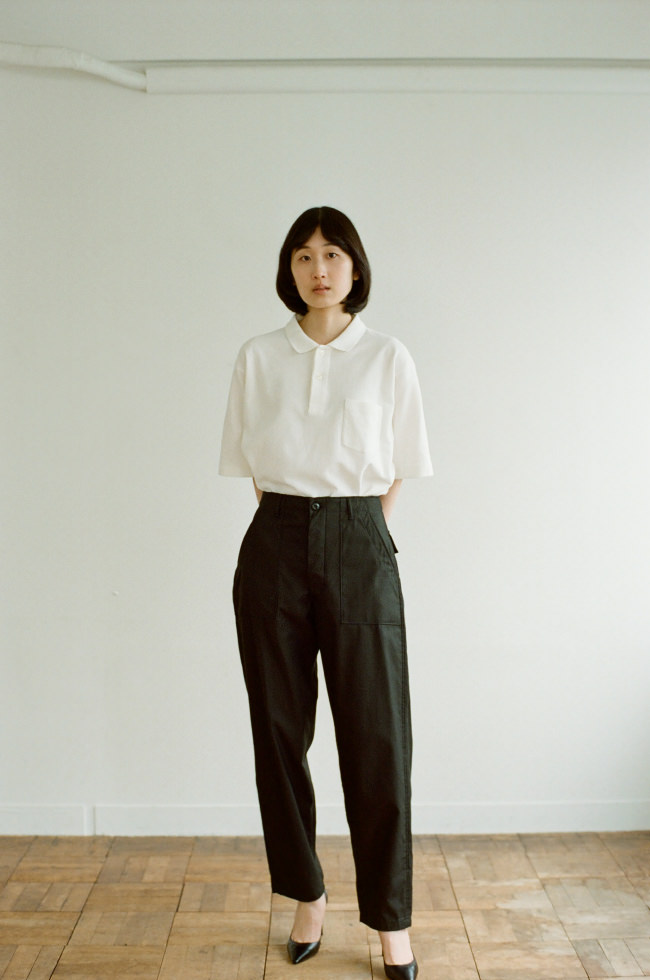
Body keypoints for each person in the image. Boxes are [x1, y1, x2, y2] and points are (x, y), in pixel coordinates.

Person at [219, 206, 432, 980]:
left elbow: (402, 463)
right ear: (289, 268)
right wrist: (297, 527)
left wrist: (355, 534)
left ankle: (391, 920)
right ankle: (305, 894)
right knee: (279, 734)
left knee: (379, 738)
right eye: (304, 255)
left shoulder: (387, 356)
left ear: (355, 267)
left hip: (359, 538)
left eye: (333, 254)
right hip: (275, 541)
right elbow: (253, 464)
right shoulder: (258, 356)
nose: (319, 269)